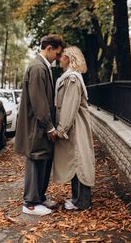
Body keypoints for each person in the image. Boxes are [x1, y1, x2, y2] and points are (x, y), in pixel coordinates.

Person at [14, 34, 65, 216]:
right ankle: (30, 204)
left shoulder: (42, 66)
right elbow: (39, 102)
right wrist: (49, 126)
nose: (58, 58)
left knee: (43, 160)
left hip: (40, 126)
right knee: (36, 161)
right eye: (57, 54)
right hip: (36, 127)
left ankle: (39, 198)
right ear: (49, 48)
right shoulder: (37, 68)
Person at [53, 46, 95, 210]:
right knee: (76, 161)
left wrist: (61, 129)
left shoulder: (72, 79)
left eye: (62, 56)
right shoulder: (71, 77)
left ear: (69, 59)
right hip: (75, 126)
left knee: (78, 161)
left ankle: (82, 202)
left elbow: (70, 106)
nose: (59, 58)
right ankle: (78, 199)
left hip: (75, 127)